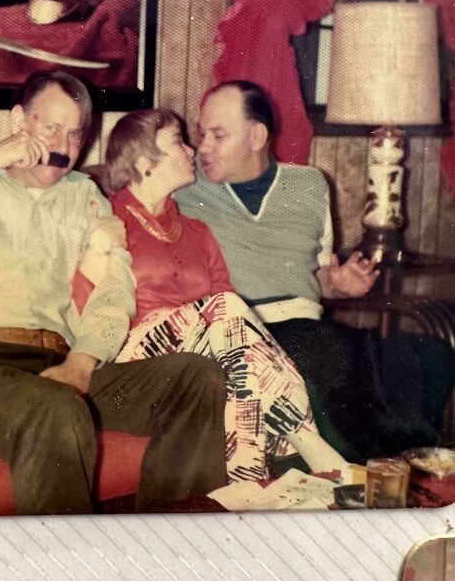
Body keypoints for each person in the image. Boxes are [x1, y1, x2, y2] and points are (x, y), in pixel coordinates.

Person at [0, 70, 228, 515]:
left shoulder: (85, 196)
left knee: (196, 378)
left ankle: (166, 548)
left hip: (63, 365)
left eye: (76, 135)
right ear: (19, 120)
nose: (63, 146)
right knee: (56, 408)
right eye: (50, 127)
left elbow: (115, 290)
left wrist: (81, 361)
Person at [175, 80, 455, 461]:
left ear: (257, 136)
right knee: (331, 354)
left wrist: (342, 285)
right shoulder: (185, 186)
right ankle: (363, 470)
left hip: (308, 324)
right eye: (200, 133)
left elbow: (318, 274)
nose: (203, 147)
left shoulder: (308, 185)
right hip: (242, 334)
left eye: (218, 135)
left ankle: (399, 467)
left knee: (425, 354)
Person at [102, 108, 346, 481]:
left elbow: (232, 318)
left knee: (242, 371)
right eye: (177, 143)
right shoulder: (108, 221)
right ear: (144, 162)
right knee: (228, 309)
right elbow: (90, 305)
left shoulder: (197, 231)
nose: (191, 151)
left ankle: (246, 484)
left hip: (201, 354)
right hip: (135, 359)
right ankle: (305, 436)